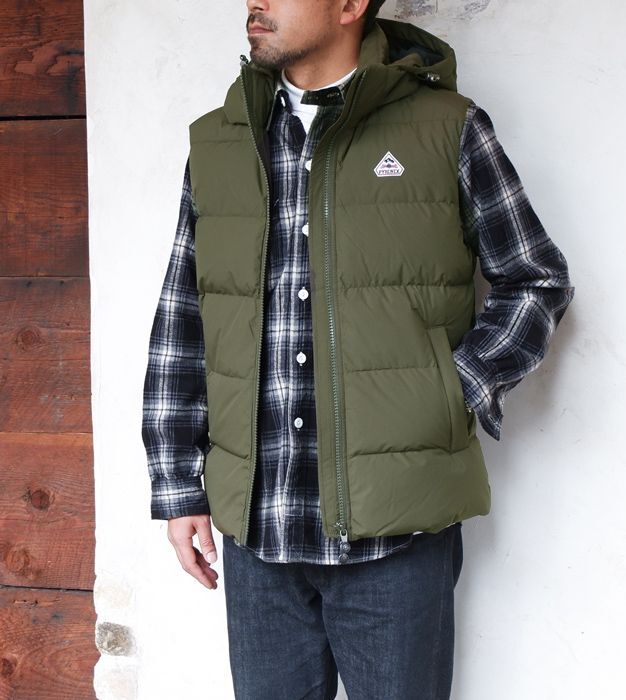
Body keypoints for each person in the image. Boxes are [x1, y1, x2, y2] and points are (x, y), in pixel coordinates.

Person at [141, 0, 574, 697]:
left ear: (349, 6)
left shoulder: (447, 129)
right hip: (258, 536)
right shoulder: (220, 142)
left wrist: (454, 387)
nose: (255, 2)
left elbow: (535, 278)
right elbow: (184, 316)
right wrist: (176, 485)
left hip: (396, 540)